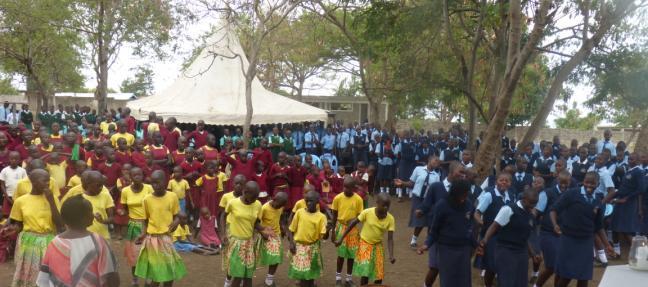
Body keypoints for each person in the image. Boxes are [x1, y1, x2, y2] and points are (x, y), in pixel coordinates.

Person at [36, 195, 120, 287]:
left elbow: (44, 277)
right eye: (90, 212)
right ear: (84, 217)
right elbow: (111, 274)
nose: (93, 214)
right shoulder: (98, 241)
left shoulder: (55, 243)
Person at [550, 172, 613, 287]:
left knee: (584, 276)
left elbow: (598, 226)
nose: (589, 185)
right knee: (566, 275)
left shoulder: (598, 201)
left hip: (586, 241)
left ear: (598, 184)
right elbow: (554, 209)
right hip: (569, 239)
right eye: (586, 182)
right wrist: (555, 225)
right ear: (583, 181)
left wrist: (607, 244)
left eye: (592, 183)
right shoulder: (572, 194)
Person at [6, 169, 63, 287]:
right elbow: (19, 224)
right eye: (44, 181)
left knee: (47, 275)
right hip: (29, 242)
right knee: (30, 275)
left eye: (48, 180)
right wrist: (13, 229)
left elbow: (59, 224)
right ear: (33, 181)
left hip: (49, 241)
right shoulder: (21, 201)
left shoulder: (53, 199)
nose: (47, 183)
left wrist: (51, 201)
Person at [478, 188, 540, 287]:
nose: (533, 206)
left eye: (535, 203)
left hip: (521, 252)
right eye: (531, 203)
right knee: (507, 282)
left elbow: (525, 237)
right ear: (524, 199)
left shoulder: (530, 214)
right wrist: (484, 241)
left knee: (520, 283)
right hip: (506, 250)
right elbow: (494, 226)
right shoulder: (509, 209)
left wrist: (532, 254)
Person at [418, 179, 474, 287]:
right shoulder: (442, 205)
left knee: (464, 281)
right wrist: (426, 244)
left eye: (466, 195)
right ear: (455, 193)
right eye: (462, 195)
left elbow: (469, 228)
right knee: (448, 280)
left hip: (464, 249)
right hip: (446, 249)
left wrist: (476, 244)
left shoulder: (468, 205)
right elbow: (434, 229)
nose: (464, 198)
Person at [135, 170, 187, 286]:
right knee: (156, 274)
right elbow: (145, 220)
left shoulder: (172, 196)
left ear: (166, 181)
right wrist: (143, 234)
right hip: (152, 239)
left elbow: (178, 215)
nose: (155, 186)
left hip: (167, 238)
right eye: (153, 183)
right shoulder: (147, 199)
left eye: (158, 182)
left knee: (169, 272)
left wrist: (176, 222)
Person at [335, 193, 396, 286]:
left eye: (388, 205)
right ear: (377, 203)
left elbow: (390, 239)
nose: (386, 208)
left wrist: (391, 255)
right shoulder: (367, 213)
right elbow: (352, 224)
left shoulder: (390, 219)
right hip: (365, 244)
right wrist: (341, 238)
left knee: (379, 274)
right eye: (384, 205)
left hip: (378, 246)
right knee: (365, 271)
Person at [223, 181, 268, 287]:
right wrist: (223, 233)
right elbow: (222, 216)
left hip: (249, 243)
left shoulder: (257, 205)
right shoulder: (233, 203)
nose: (255, 200)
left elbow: (256, 223)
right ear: (245, 192)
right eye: (253, 197)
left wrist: (264, 231)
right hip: (236, 243)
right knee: (238, 275)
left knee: (248, 275)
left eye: (257, 197)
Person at [474, 172, 513, 287]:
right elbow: (477, 213)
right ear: (496, 181)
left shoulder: (510, 196)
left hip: (505, 235)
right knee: (491, 265)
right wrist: (482, 223)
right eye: (501, 180)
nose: (504, 182)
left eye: (507, 181)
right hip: (490, 235)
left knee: (500, 263)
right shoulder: (489, 195)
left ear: (510, 183)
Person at [394, 156, 441, 248]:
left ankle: (428, 241)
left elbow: (436, 190)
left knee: (431, 219)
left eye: (438, 162)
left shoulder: (436, 176)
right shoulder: (418, 169)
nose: (437, 163)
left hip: (429, 200)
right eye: (435, 160)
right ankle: (414, 240)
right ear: (429, 160)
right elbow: (411, 183)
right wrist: (402, 183)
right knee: (420, 219)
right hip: (418, 198)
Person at [119, 167, 153, 285]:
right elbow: (124, 209)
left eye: (139, 174)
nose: (137, 176)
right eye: (134, 175)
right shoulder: (125, 191)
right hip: (133, 225)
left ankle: (148, 278)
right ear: (130, 177)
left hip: (148, 224)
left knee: (149, 253)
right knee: (133, 255)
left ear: (143, 176)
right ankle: (135, 280)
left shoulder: (149, 188)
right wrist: (122, 213)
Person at [287, 190, 328, 287]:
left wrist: (328, 229)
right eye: (307, 201)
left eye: (311, 201)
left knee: (310, 273)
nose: (308, 203)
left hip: (313, 247)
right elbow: (291, 229)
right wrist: (291, 243)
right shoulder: (299, 213)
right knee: (303, 274)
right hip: (300, 247)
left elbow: (324, 236)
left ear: (317, 202)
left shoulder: (321, 217)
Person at [329, 176, 364, 287]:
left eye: (348, 188)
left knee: (351, 256)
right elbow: (334, 215)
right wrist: (333, 231)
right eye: (344, 186)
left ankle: (349, 279)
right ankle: (338, 278)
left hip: (353, 230)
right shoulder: (338, 198)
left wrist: (353, 220)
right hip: (340, 227)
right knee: (341, 255)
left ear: (354, 188)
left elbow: (360, 216)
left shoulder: (358, 199)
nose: (345, 189)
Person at [62, 171, 114, 240]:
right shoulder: (79, 199)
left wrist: (102, 221)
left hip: (102, 236)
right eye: (98, 185)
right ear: (88, 184)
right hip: (84, 237)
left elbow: (112, 218)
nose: (101, 188)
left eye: (102, 185)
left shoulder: (106, 196)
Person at [610, 153, 643, 256]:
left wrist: (626, 198)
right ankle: (616, 252)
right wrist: (611, 198)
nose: (629, 161)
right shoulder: (628, 171)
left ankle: (638, 254)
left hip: (629, 204)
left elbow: (641, 189)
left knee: (626, 230)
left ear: (638, 161)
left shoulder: (638, 172)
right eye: (629, 159)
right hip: (620, 202)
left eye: (632, 159)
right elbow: (622, 188)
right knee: (614, 227)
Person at [258, 191, 288, 287]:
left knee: (276, 257)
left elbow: (281, 218)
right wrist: (263, 233)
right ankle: (243, 277)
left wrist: (283, 229)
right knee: (256, 257)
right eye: (279, 205)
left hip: (276, 235)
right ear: (274, 199)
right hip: (266, 234)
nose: (280, 207)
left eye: (282, 206)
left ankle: (269, 279)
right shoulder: (264, 208)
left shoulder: (280, 207)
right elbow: (257, 223)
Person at [0, 152, 27, 219]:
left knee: (19, 216)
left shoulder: (22, 171)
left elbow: (24, 184)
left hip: (19, 197)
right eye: (12, 159)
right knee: (6, 215)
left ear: (19, 160)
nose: (14, 161)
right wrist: (7, 197)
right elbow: (2, 185)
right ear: (9, 159)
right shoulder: (5, 170)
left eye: (16, 159)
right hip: (8, 196)